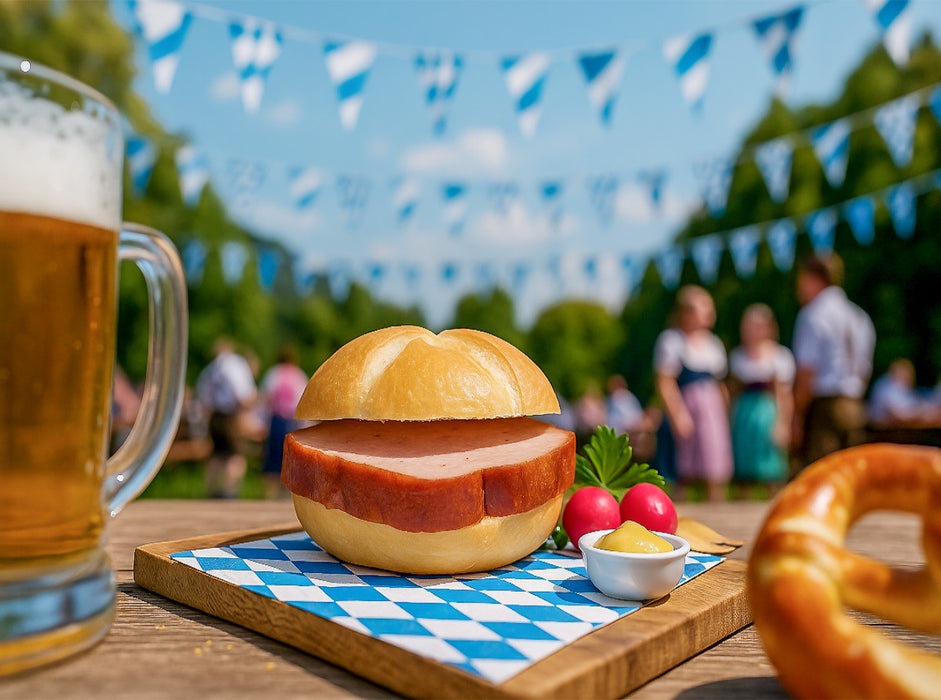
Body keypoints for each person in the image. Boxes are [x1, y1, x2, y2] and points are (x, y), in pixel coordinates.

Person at [791, 253, 875, 466]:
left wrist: (797, 414)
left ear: (813, 278)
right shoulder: (859, 316)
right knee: (852, 475)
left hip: (824, 408)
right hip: (855, 405)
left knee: (821, 475)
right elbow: (865, 370)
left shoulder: (813, 314)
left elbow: (807, 372)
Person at [653, 285, 732, 501]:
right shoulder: (672, 340)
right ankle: (683, 513)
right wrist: (677, 414)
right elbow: (665, 382)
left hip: (711, 410)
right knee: (683, 467)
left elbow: (720, 383)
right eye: (702, 307)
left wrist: (724, 412)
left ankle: (718, 511)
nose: (708, 312)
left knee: (714, 465)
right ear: (686, 312)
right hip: (687, 408)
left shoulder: (714, 344)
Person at [729, 304, 795, 497]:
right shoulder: (738, 357)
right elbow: (733, 392)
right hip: (744, 417)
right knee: (744, 473)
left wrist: (783, 424)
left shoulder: (780, 356)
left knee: (772, 470)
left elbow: (784, 394)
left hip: (768, 414)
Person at [196, 338, 257, 498]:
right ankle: (229, 493)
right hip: (230, 415)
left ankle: (212, 491)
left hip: (214, 415)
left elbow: (202, 394)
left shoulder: (211, 368)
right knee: (234, 455)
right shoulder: (233, 364)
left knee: (216, 454)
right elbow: (242, 394)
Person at [259, 346, 309, 499]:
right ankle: (287, 496)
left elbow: (265, 398)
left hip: (276, 420)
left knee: (273, 461)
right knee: (290, 461)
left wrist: (261, 421)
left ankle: (270, 495)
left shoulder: (273, 374)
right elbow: (303, 401)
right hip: (292, 422)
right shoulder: (299, 375)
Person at [868, 359, 922, 425]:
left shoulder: (901, 388)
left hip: (892, 428)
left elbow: (913, 405)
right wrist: (919, 413)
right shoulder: (885, 385)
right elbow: (898, 414)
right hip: (881, 430)